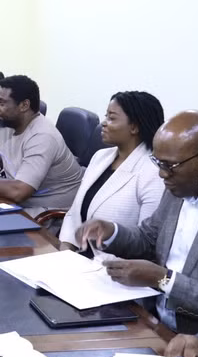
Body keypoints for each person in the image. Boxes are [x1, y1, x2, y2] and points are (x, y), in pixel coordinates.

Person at [76, 110, 198, 334]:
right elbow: (148, 237)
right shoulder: (180, 187)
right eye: (158, 163)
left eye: (169, 166)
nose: (162, 175)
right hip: (151, 319)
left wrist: (162, 280)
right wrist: (111, 232)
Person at [0, 75, 83, 213]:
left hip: (48, 211)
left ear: (24, 105)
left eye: (2, 103)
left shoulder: (42, 136)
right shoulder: (7, 124)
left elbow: (19, 191)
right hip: (18, 201)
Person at [58, 92, 165, 250]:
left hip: (113, 265)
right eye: (106, 116)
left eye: (112, 118)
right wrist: (65, 251)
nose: (103, 123)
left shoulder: (154, 173)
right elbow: (74, 213)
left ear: (134, 127)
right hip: (75, 257)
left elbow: (146, 242)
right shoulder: (100, 157)